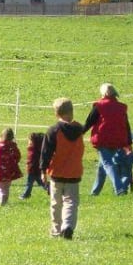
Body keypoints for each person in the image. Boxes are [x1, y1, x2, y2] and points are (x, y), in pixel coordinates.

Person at [40, 98, 85, 239]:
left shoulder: (53, 130)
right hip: (74, 172)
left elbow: (46, 152)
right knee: (71, 202)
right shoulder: (79, 129)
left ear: (56, 113)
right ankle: (68, 226)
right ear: (72, 111)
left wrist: (43, 170)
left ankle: (56, 230)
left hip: (57, 172)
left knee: (56, 203)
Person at [83, 83, 133, 195]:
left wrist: (79, 133)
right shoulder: (122, 107)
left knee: (107, 163)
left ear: (104, 93)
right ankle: (95, 192)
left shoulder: (99, 106)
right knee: (102, 167)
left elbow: (89, 122)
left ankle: (119, 189)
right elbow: (126, 125)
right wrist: (128, 142)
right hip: (117, 140)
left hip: (102, 139)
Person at [0, 128, 23, 205]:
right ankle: (5, 200)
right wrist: (15, 162)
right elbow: (18, 156)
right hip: (10, 169)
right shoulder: (13, 146)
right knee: (7, 186)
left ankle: (1, 197)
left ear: (1, 136)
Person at [20, 132, 48, 199]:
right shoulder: (36, 150)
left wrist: (29, 167)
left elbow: (31, 162)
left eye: (30, 141)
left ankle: (25, 195)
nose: (28, 142)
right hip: (36, 170)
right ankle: (49, 188)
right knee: (40, 182)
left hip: (33, 170)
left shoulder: (33, 151)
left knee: (29, 183)